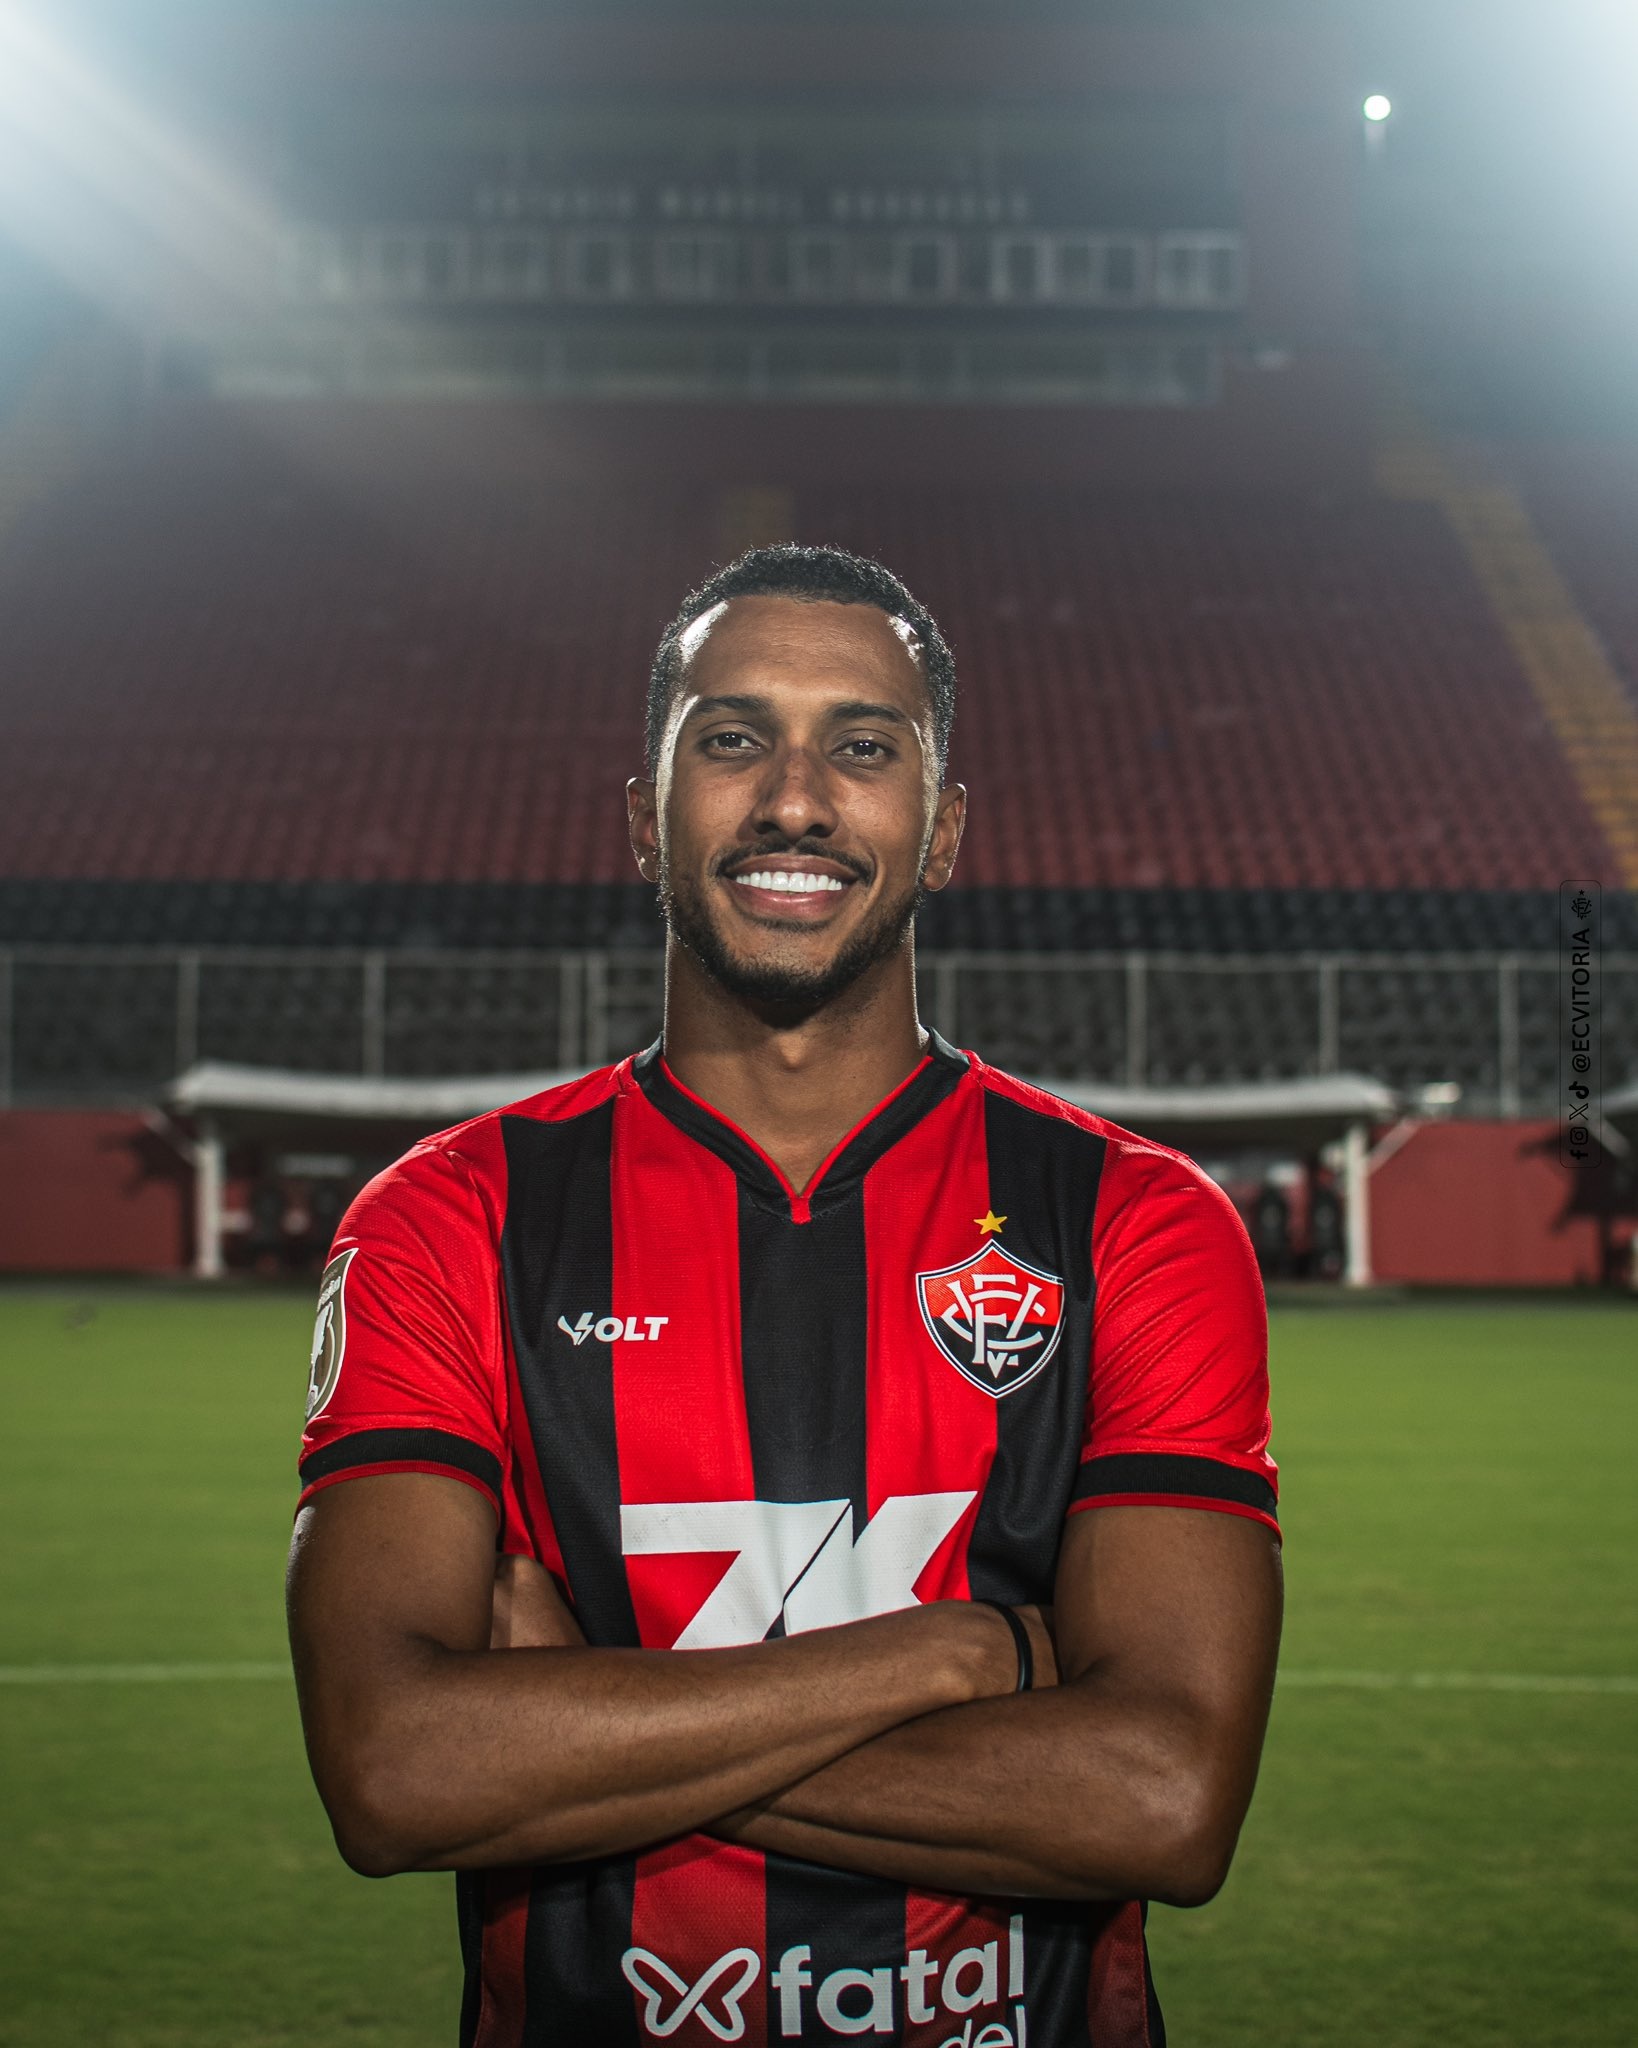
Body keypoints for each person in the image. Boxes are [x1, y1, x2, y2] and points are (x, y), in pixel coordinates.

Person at [287, 545, 1283, 2048]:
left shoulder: (1135, 1222)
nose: (796, 801)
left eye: (863, 748)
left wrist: (577, 1726)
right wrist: (953, 1656)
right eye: (731, 737)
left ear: (940, 834)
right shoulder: (452, 1219)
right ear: (645, 820)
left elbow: (1160, 1802)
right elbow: (393, 1773)